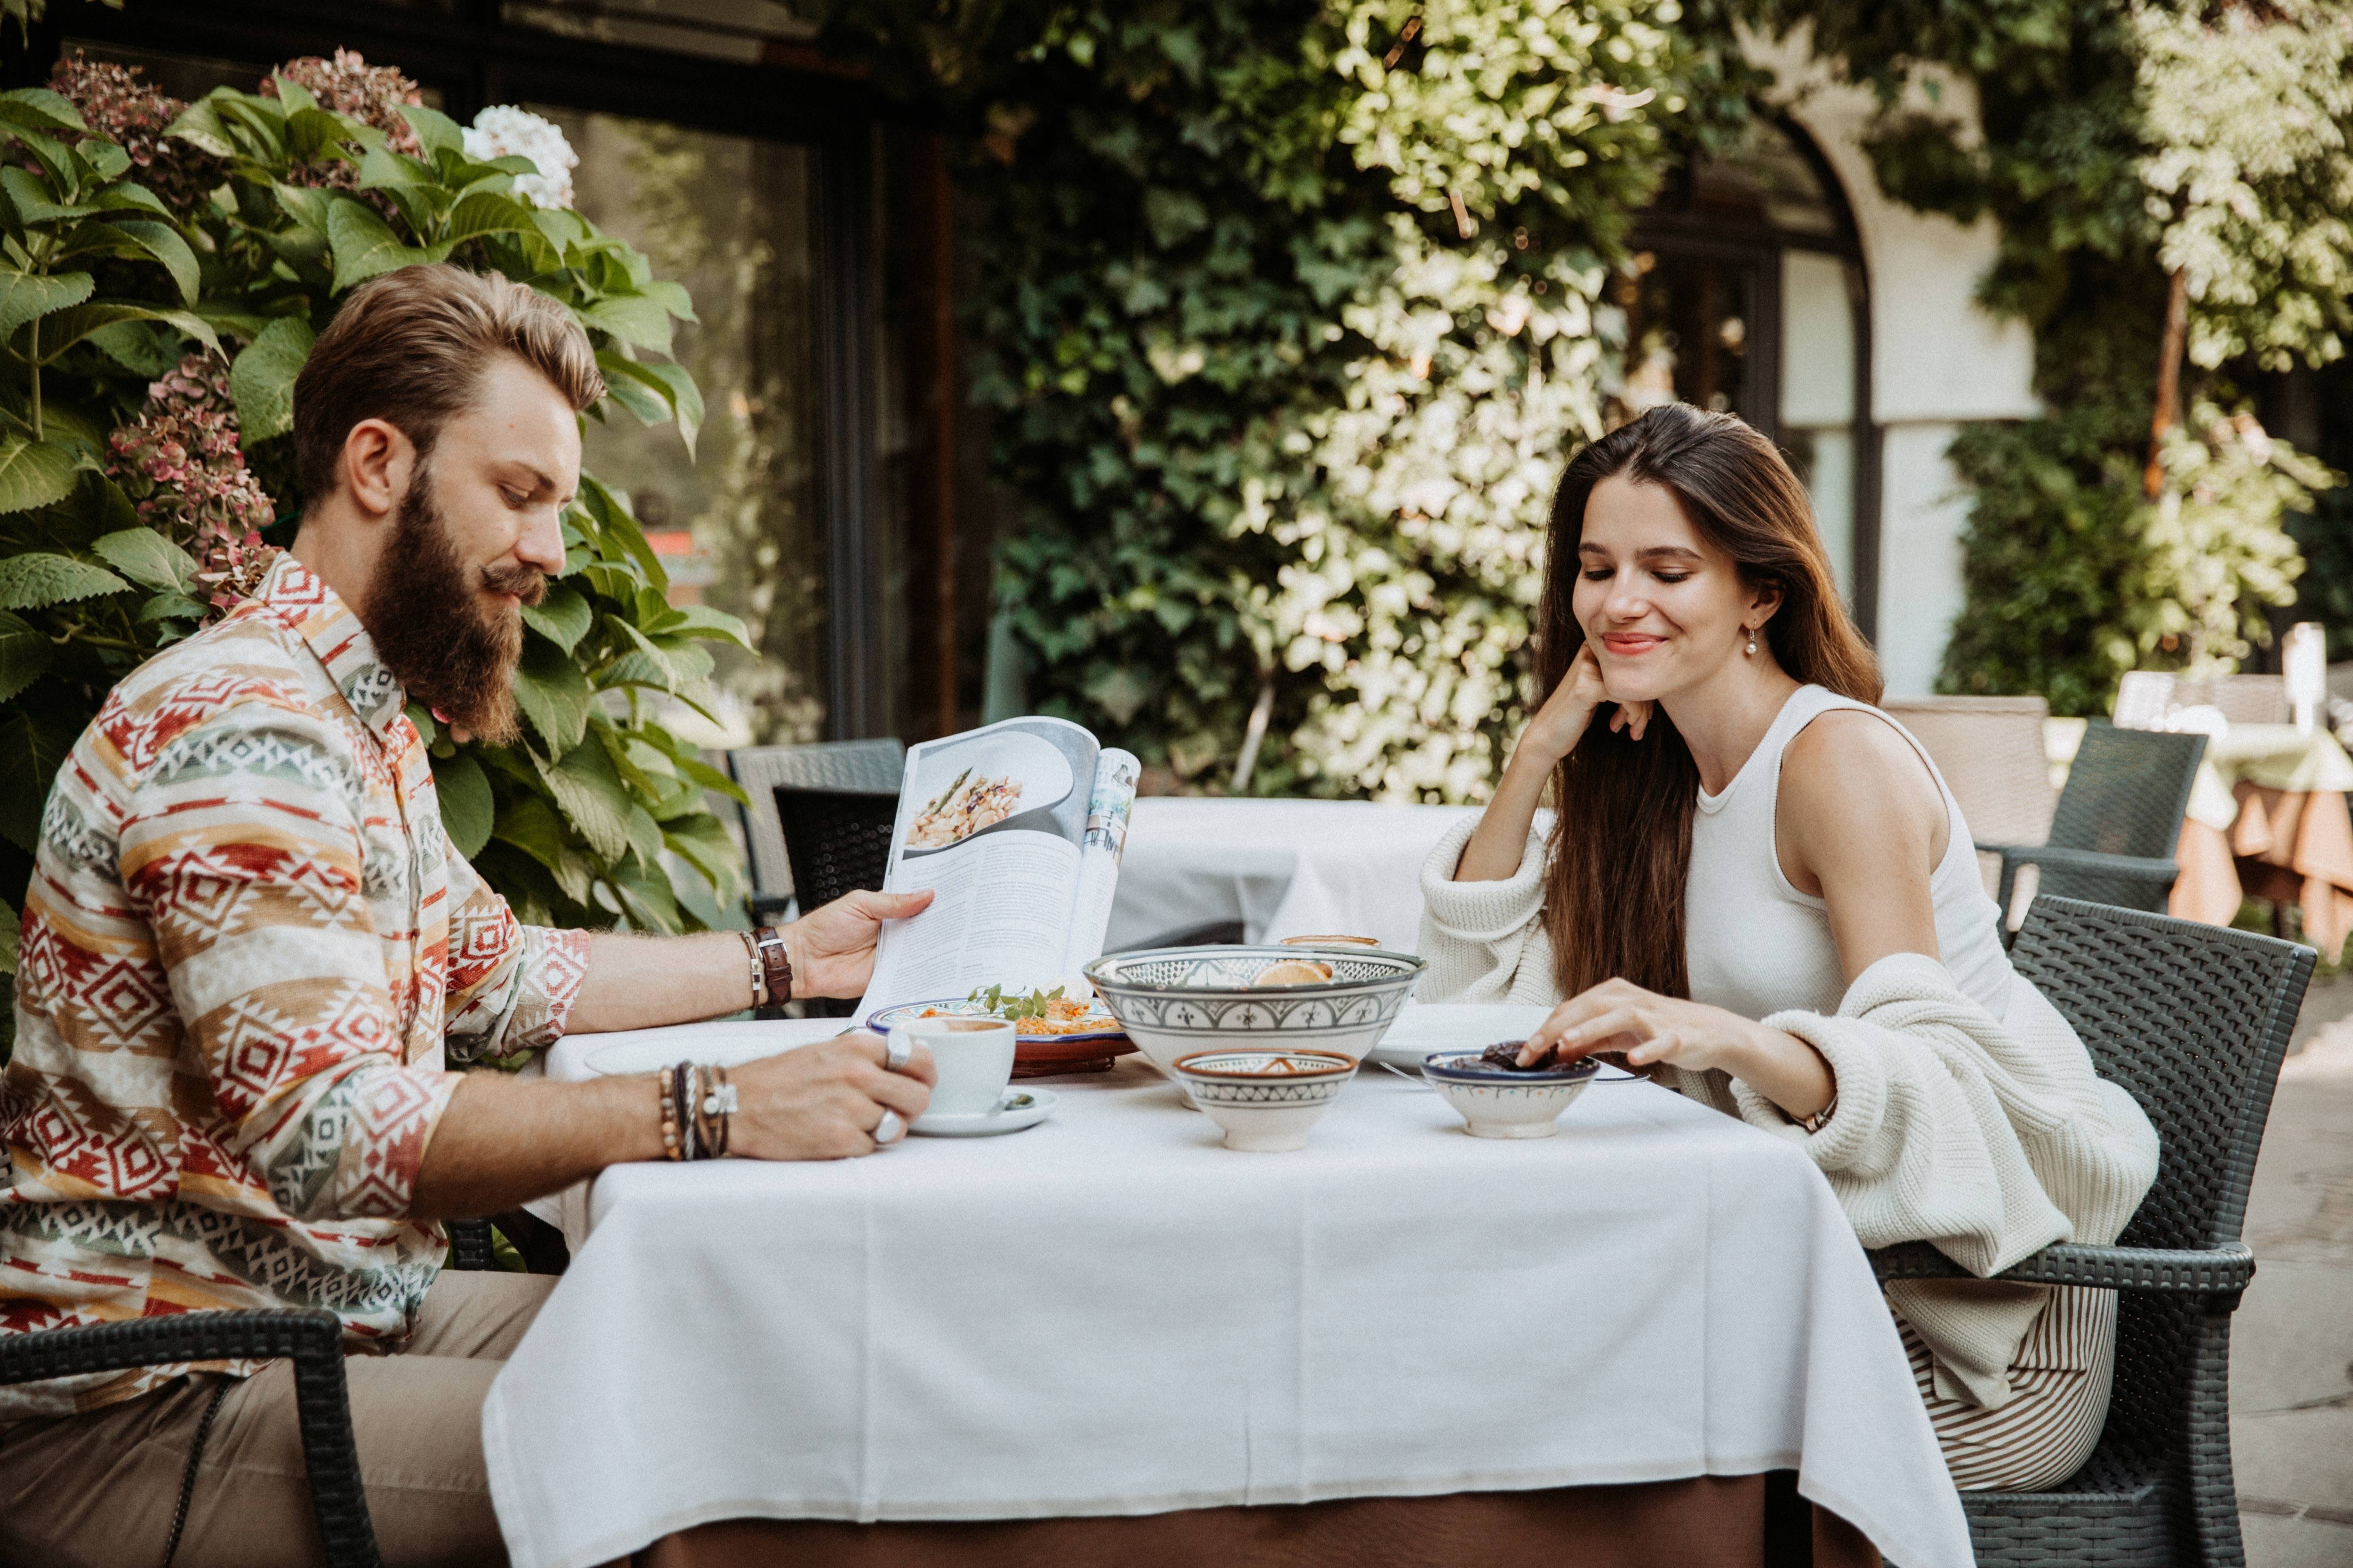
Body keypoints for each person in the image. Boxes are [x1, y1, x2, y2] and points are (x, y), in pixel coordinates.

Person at [0, 264, 935, 1568]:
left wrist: (789, 959)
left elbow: (504, 974)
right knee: (714, 1462)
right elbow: (333, 1126)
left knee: (759, 1343)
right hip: (148, 1392)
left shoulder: (346, 717)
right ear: (380, 464)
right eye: (522, 492)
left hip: (324, 1319)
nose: (550, 550)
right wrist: (716, 1107)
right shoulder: (244, 730)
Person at [1418, 402, 2160, 1491]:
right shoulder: (1657, 775)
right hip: (1807, 1284)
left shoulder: (1832, 762)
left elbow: (1926, 1073)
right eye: (1595, 567)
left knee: (1556, 1440)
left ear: (1760, 592)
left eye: (1668, 571)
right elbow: (1470, 997)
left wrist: (1723, 1036)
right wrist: (1538, 750)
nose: (1618, 603)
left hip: (1976, 1341)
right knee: (1473, 1373)